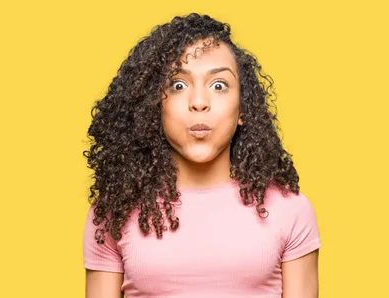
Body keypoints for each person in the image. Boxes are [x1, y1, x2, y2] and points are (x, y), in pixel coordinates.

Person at [82, 13, 321, 298]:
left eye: (219, 85)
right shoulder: (114, 212)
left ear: (243, 108)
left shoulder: (290, 210)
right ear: (154, 105)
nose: (199, 103)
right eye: (178, 85)